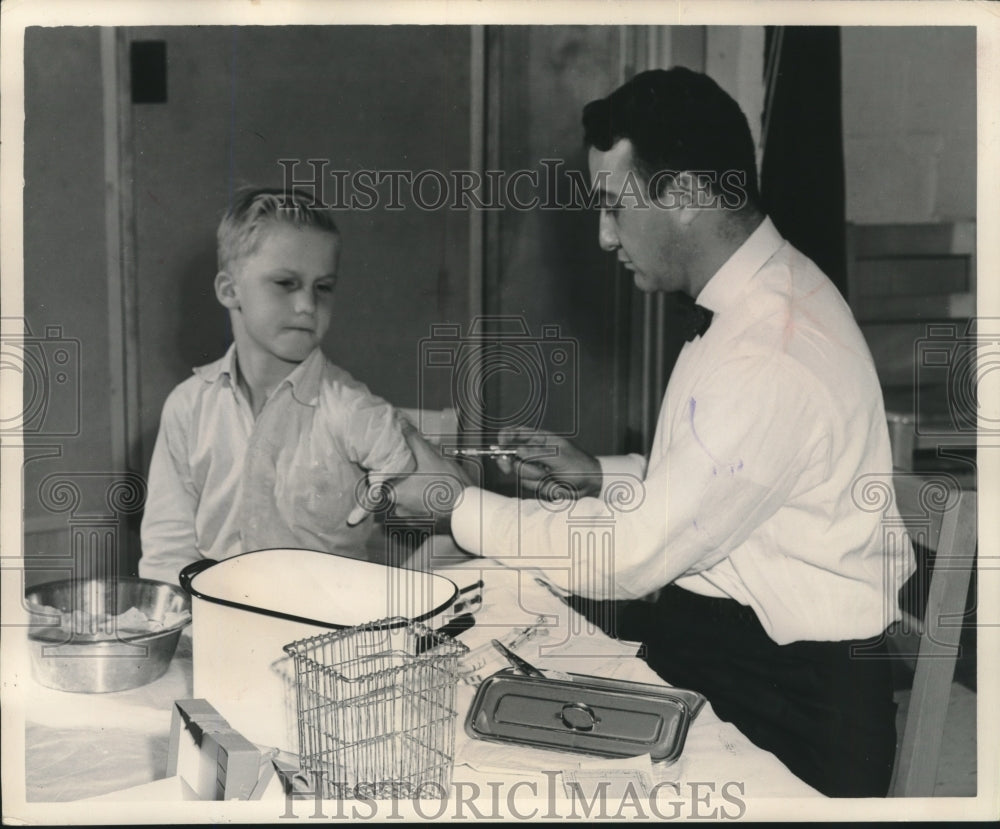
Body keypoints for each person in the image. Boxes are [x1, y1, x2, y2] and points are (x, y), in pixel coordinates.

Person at [380, 68, 915, 798]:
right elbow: (736, 490)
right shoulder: (761, 296)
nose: (604, 237)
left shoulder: (772, 350)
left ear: (687, 194)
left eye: (612, 207)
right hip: (729, 655)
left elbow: (630, 557)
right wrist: (603, 475)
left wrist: (454, 505)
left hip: (793, 721)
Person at [139, 187, 415, 585]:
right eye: (286, 283)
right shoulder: (189, 406)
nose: (307, 305)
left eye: (323, 287)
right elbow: (168, 553)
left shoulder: (353, 410)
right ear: (229, 290)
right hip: (217, 627)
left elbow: (453, 502)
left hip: (328, 634)